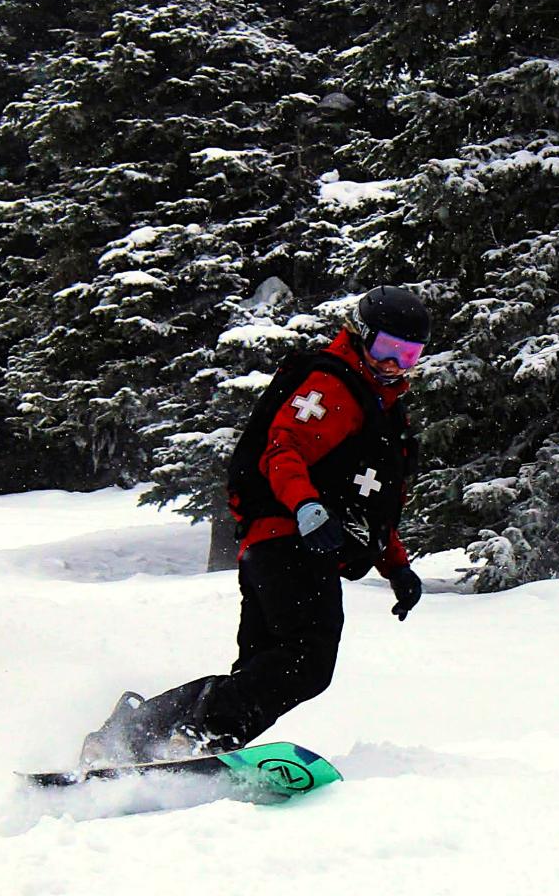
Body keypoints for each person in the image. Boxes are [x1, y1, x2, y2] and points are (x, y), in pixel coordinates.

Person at [80, 285, 430, 765]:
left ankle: (137, 733)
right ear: (361, 336)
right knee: (308, 660)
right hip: (291, 542)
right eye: (386, 350)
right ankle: (199, 734)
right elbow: (282, 449)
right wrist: (307, 508)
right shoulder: (335, 388)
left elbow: (368, 501)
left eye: (408, 355)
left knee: (263, 670)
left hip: (277, 548)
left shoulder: (382, 409)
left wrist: (397, 567)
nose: (394, 365)